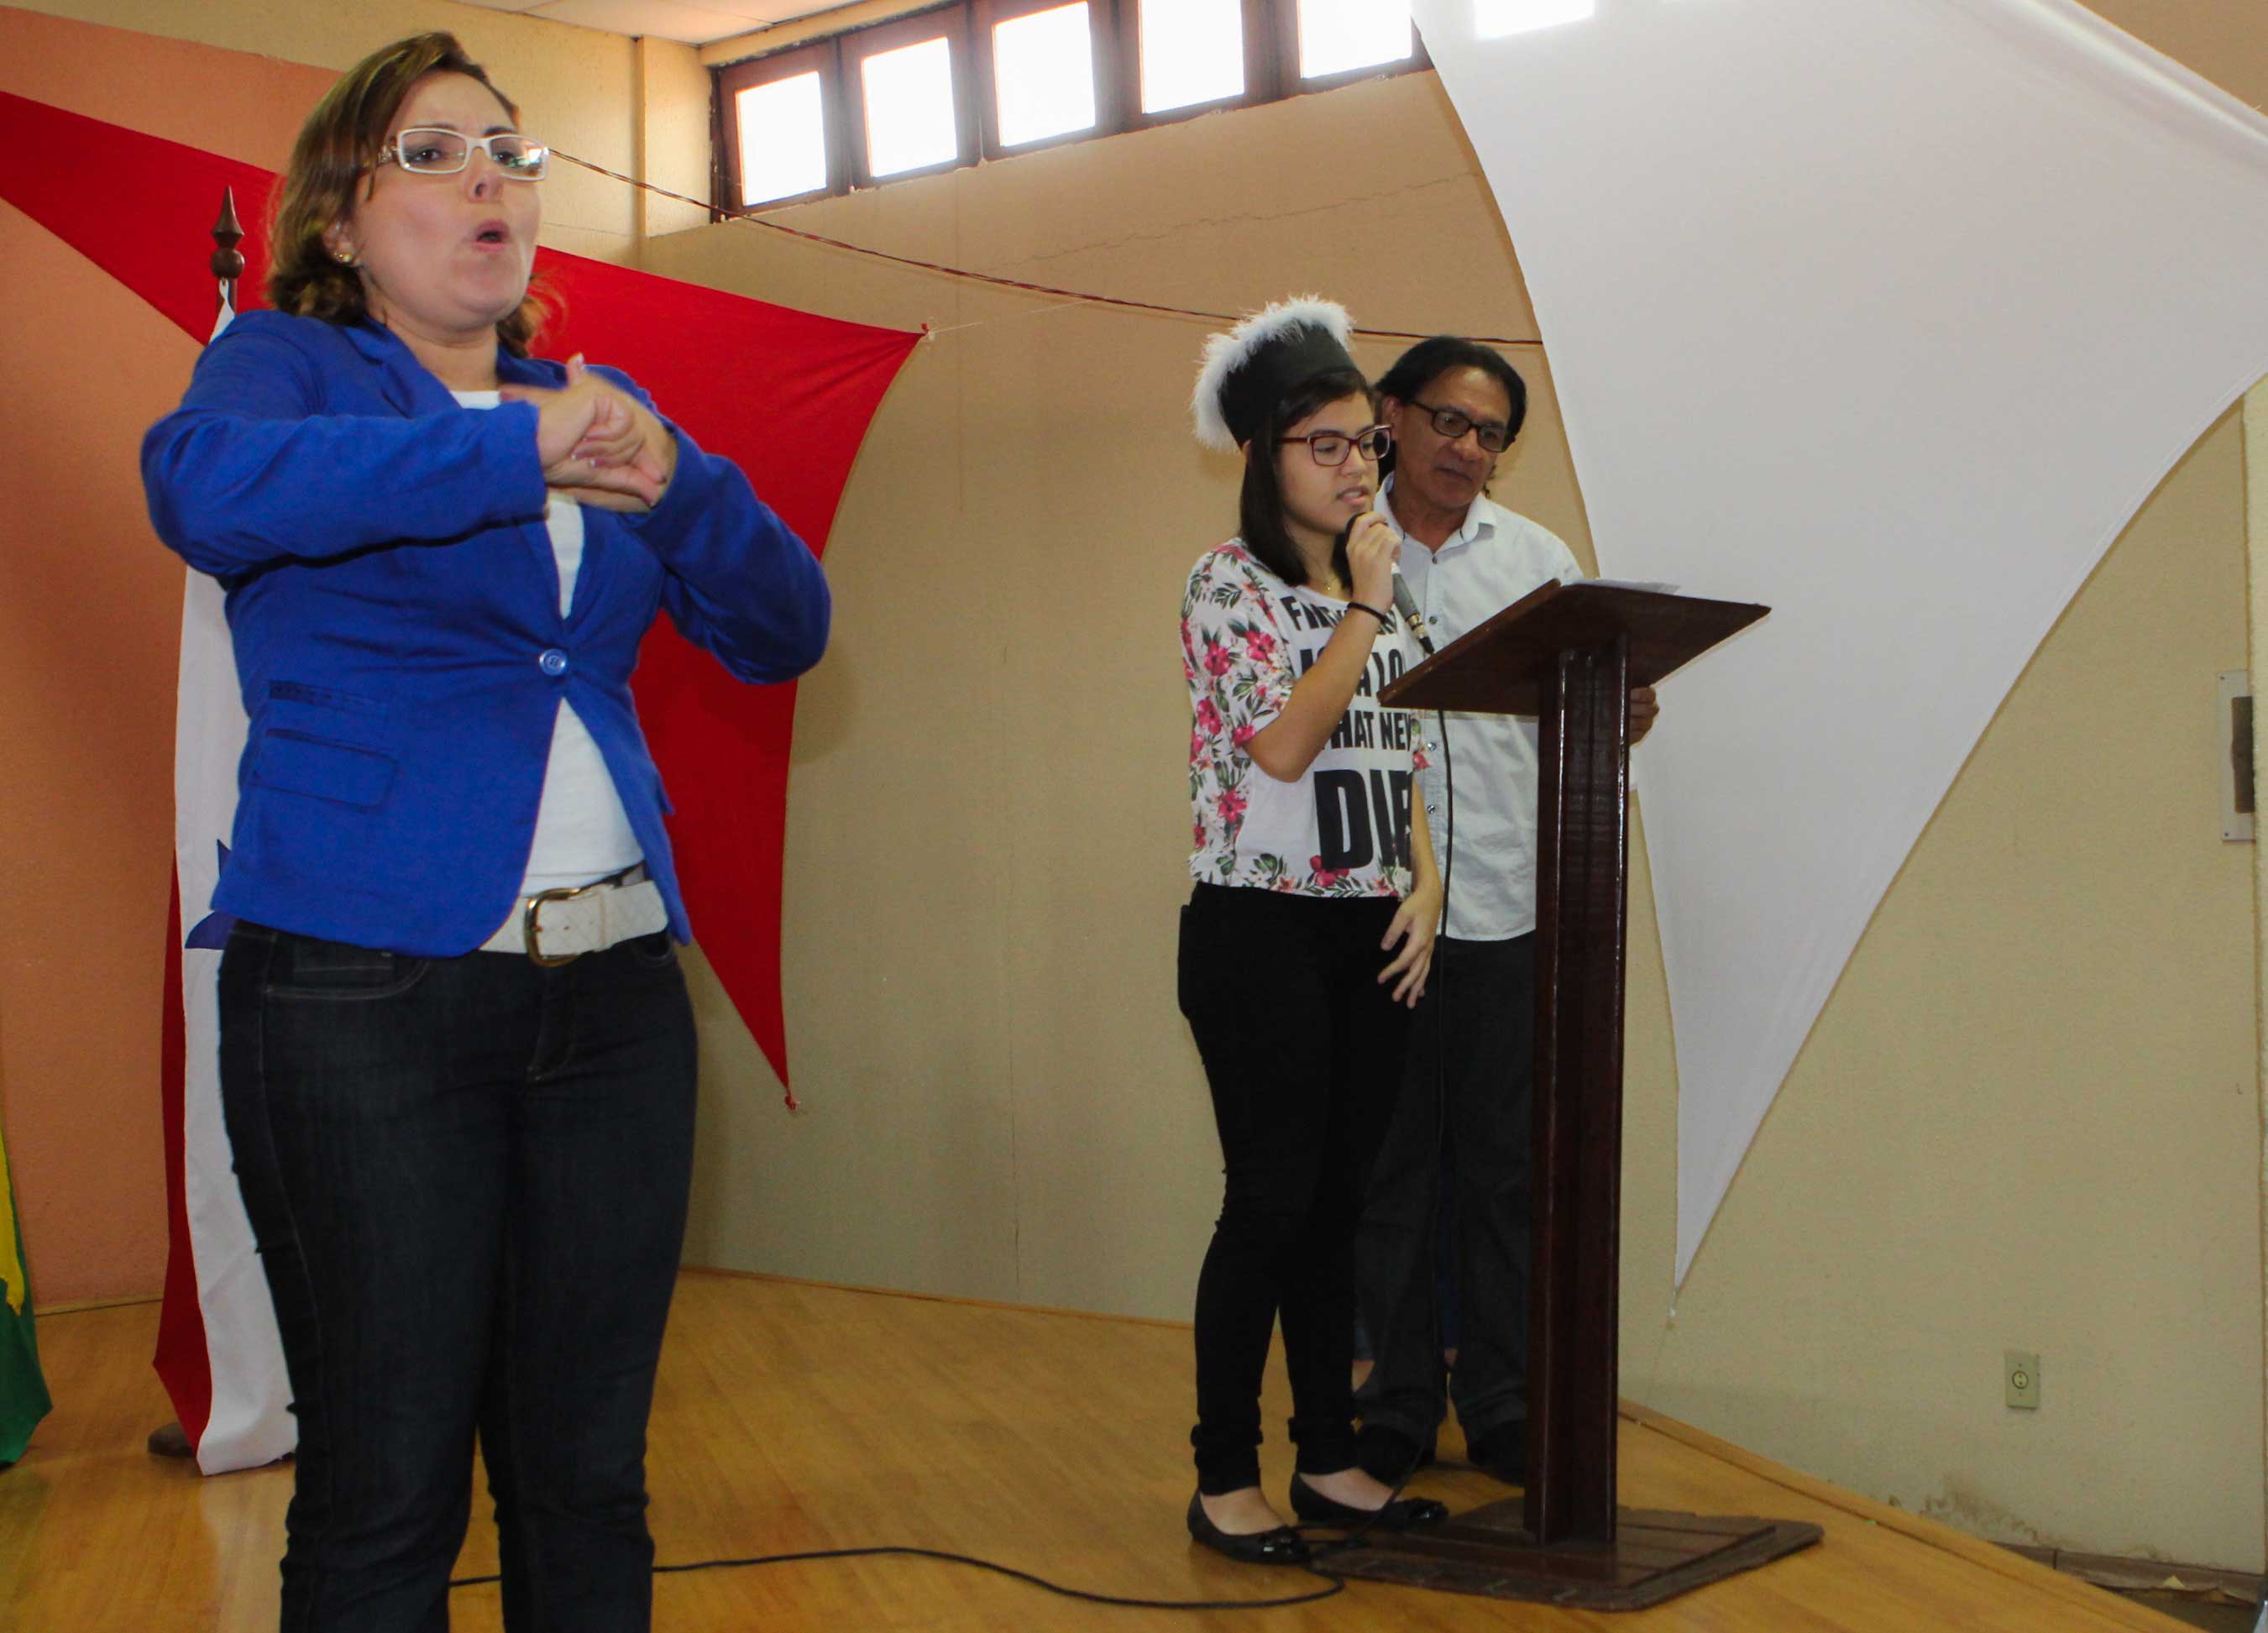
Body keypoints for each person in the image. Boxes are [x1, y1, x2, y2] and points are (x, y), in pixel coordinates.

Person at [140, 33, 829, 1630]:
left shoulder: (597, 406)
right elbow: (204, 491)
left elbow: (783, 627)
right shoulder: (288, 371)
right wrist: (510, 448)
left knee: (586, 1477)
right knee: (386, 1489)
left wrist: (680, 485)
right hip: (361, 996)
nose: (488, 184)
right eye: (434, 154)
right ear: (338, 217)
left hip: (613, 1000)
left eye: (511, 155)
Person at [1352, 338, 1656, 1489]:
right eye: (1448, 421)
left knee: (1503, 1173)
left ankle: (1502, 1403)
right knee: (1389, 1176)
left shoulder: (1537, 563)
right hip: (1380, 919)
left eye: (1489, 435)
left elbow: (1590, 720)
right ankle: (1392, 1406)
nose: (1467, 448)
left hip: (1510, 912)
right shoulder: (1341, 556)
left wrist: (1619, 709)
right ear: (1391, 415)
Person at [1176, 299, 1450, 1566]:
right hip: (1259, 930)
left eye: (1363, 444)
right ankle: (1223, 1475)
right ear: (1264, 456)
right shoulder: (1228, 584)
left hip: (1369, 928)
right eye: (1324, 445)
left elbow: (1405, 755)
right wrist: (1366, 609)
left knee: (1343, 1203)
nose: (1355, 469)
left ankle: (1329, 1457)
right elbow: (1285, 745)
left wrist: (1427, 886)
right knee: (1271, 1202)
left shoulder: (1373, 595)